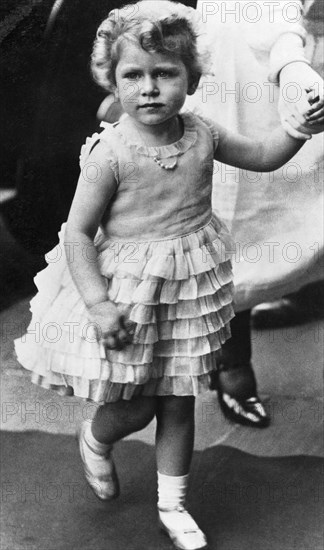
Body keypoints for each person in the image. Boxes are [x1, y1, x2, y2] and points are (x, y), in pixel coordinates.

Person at [14, 1, 319, 548]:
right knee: (136, 401)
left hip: (187, 285)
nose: (149, 88)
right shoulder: (111, 153)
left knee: (178, 395)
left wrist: (297, 127)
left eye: (165, 74)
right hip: (128, 292)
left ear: (192, 79)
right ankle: (97, 435)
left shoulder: (202, 132)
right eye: (134, 75)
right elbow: (78, 233)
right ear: (112, 81)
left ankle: (173, 504)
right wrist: (100, 304)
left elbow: (266, 155)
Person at [186, 0, 324, 427]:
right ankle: (231, 362)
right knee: (240, 220)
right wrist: (291, 65)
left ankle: (302, 292)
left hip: (306, 53)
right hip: (246, 74)